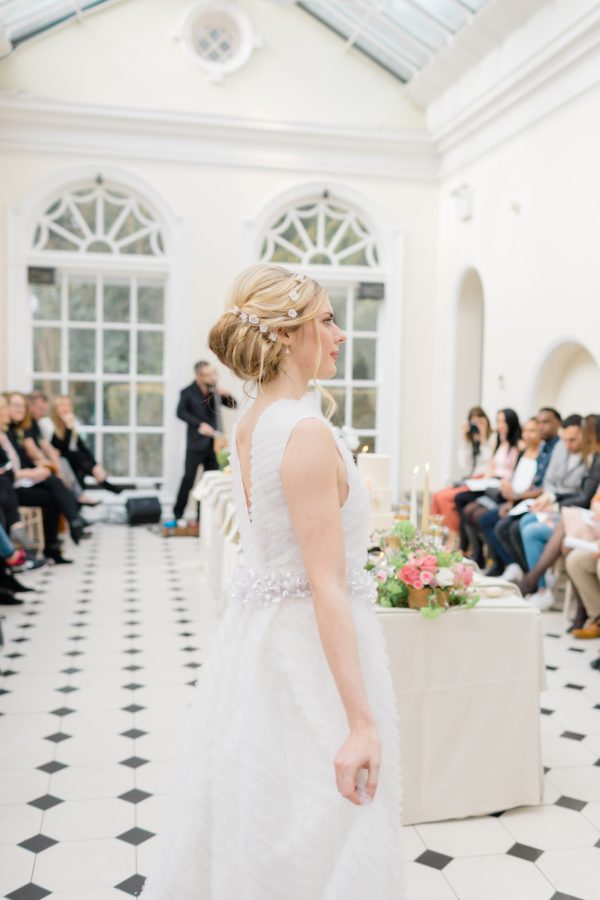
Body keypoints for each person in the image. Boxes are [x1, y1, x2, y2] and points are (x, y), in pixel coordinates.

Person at [141, 264, 405, 899]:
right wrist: (361, 721)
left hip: (261, 644)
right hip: (308, 656)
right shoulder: (305, 432)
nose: (341, 335)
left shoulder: (257, 418)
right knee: (323, 834)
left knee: (271, 825)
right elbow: (326, 584)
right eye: (326, 321)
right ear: (287, 336)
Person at [464, 416, 543, 576]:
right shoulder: (523, 452)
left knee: (499, 524)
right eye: (526, 431)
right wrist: (508, 489)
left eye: (532, 431)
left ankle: (516, 566)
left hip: (526, 501)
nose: (528, 435)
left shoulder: (542, 456)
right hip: (513, 499)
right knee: (483, 518)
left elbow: (536, 485)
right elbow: (516, 477)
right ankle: (507, 562)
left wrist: (514, 498)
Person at [167, 360, 237, 526]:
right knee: (188, 479)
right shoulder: (187, 392)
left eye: (214, 374)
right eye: (208, 375)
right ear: (198, 375)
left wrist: (226, 395)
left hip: (214, 446)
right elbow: (180, 412)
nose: (212, 378)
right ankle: (177, 515)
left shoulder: (215, 391)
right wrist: (199, 425)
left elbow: (234, 405)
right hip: (195, 444)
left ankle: (201, 519)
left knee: (209, 481)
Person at [455, 408, 521, 566]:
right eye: (498, 421)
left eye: (503, 421)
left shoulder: (516, 446)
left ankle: (480, 555)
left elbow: (513, 472)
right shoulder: (501, 442)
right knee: (466, 507)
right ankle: (474, 552)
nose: (500, 425)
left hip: (502, 488)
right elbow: (487, 466)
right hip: (490, 483)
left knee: (472, 510)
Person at [430, 406, 494, 543]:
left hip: (483, 481)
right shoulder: (471, 440)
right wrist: (464, 439)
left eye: (479, 422)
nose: (476, 425)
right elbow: (464, 464)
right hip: (471, 480)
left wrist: (483, 438)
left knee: (445, 498)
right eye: (473, 422)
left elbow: (489, 461)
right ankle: (435, 536)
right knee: (436, 496)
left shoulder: (492, 438)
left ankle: (454, 538)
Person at [48, 395, 122, 495]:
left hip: (73, 464)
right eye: (62, 405)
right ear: (55, 408)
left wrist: (96, 465)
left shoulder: (70, 425)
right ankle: (102, 483)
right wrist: (68, 427)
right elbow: (62, 448)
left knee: (79, 462)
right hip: (58, 463)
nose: (67, 408)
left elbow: (83, 448)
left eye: (69, 405)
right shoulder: (49, 425)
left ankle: (96, 477)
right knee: (75, 456)